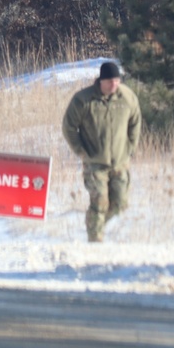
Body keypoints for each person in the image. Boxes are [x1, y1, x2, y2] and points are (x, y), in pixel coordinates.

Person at [62, 61, 142, 242]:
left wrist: (131, 147)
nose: (114, 84)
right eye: (110, 81)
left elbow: (135, 122)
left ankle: (94, 226)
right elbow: (68, 128)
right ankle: (95, 240)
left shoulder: (127, 97)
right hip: (95, 163)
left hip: (120, 161)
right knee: (99, 203)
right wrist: (81, 151)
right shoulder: (83, 100)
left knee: (120, 203)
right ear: (101, 81)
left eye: (117, 80)